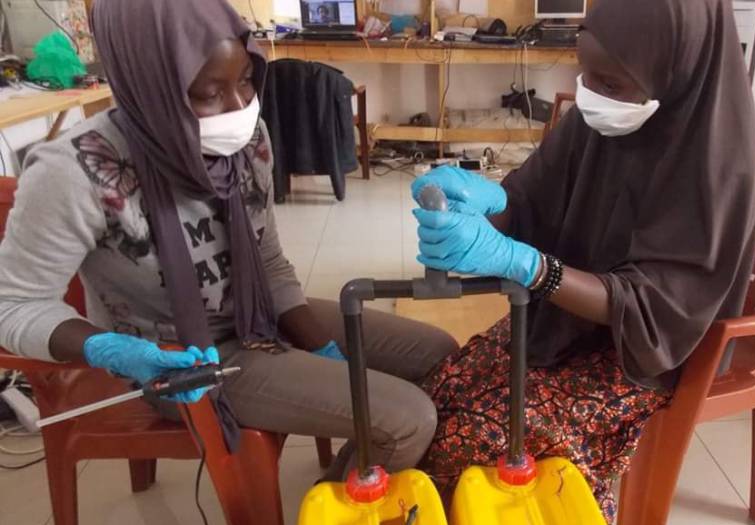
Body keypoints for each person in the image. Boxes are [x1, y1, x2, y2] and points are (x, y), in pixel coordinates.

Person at [0, 0, 456, 475]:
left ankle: (358, 479)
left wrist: (319, 345)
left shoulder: (247, 139)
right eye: (209, 93)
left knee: (440, 357)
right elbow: (13, 306)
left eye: (245, 81)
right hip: (180, 360)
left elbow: (268, 259)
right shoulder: (76, 171)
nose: (239, 109)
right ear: (150, 85)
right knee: (408, 420)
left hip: (256, 316)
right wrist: (109, 350)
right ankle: (340, 505)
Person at [410, 0, 755, 521]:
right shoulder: (599, 118)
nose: (590, 95)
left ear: (676, 70)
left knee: (474, 440)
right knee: (441, 393)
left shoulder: (717, 170)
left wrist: (528, 266)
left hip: (645, 356)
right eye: (584, 72)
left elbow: (651, 312)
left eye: (611, 83)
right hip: (567, 320)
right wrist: (483, 205)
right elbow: (529, 199)